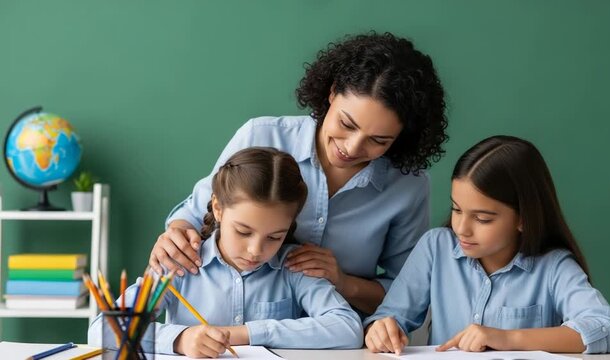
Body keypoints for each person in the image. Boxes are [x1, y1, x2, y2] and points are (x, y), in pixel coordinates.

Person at [148, 32, 448, 315]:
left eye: (379, 140)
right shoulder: (262, 135)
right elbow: (194, 214)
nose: (352, 147)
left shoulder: (407, 186)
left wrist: (343, 282)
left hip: (340, 344)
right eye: (347, 124)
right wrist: (175, 235)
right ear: (332, 93)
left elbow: (406, 296)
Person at [363, 135, 610, 354]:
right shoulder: (436, 248)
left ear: (523, 218)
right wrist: (380, 329)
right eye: (456, 210)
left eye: (482, 218)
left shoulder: (554, 266)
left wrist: (507, 339)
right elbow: (390, 317)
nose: (461, 228)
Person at [89, 148, 363, 357]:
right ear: (218, 209)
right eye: (243, 231)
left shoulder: (294, 265)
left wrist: (245, 334)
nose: (256, 250)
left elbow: (348, 329)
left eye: (274, 237)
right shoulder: (179, 263)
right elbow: (102, 329)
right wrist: (181, 340)